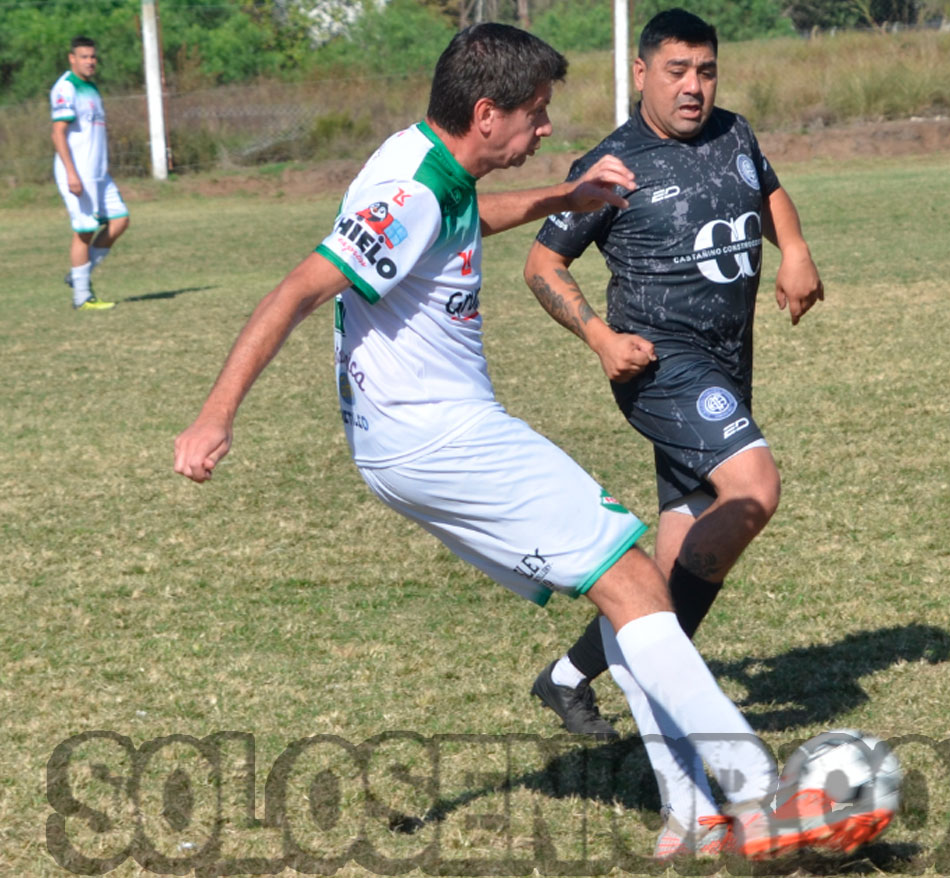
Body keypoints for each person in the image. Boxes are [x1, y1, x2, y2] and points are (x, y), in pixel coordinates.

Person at [172, 23, 870, 861]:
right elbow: (296, 290)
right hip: (442, 437)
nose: (545, 128)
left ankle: (692, 816)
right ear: (485, 114)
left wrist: (559, 198)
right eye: (535, 113)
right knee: (636, 584)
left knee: (628, 590)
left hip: (406, 444)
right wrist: (216, 416)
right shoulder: (413, 191)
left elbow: (460, 220)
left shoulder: (424, 163)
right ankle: (759, 796)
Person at [524, 8, 824, 740]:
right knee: (754, 489)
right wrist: (599, 337)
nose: (693, 87)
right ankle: (666, 693)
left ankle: (568, 678)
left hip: (727, 364)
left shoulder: (734, 133)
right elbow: (542, 264)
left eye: (705, 71)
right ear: (641, 73)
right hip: (660, 366)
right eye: (676, 71)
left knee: (672, 572)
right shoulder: (612, 166)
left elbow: (766, 188)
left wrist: (794, 249)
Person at [51, 36, 129, 311]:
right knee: (84, 231)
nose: (90, 61)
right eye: (84, 56)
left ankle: (78, 275)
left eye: (93, 56)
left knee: (120, 220)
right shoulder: (66, 87)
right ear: (72, 58)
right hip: (78, 173)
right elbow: (58, 133)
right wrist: (71, 173)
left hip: (98, 173)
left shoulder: (91, 87)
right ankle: (82, 297)